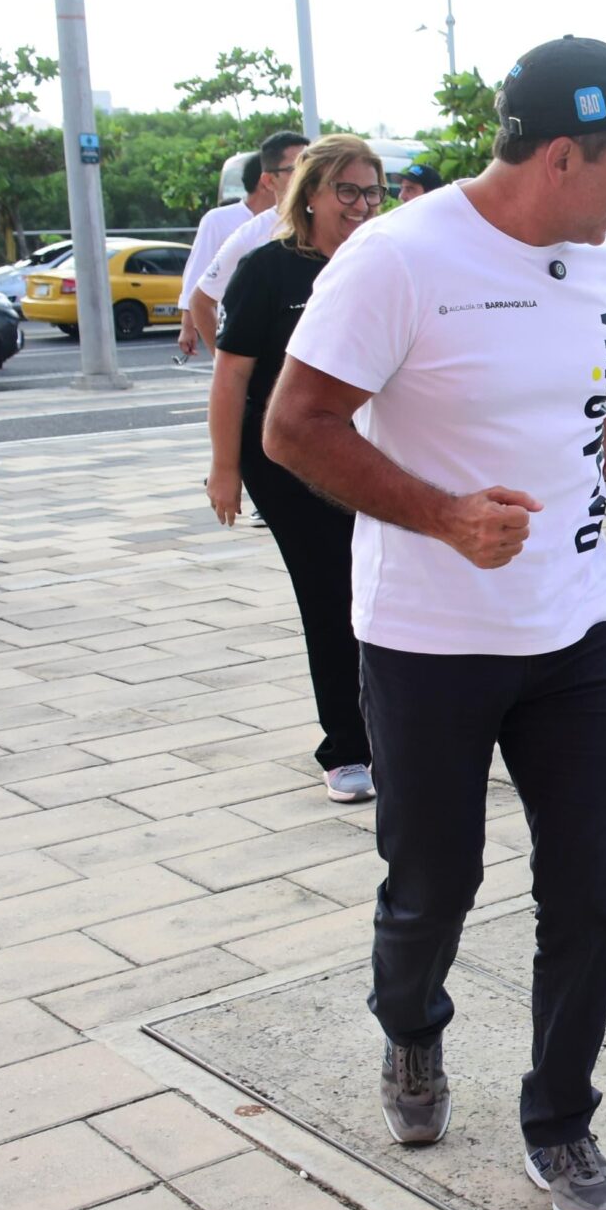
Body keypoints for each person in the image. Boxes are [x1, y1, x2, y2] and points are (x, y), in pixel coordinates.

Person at [264, 34, 606, 1210]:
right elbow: (294, 429)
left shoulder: (602, 251)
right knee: (432, 885)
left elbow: (602, 369)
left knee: (587, 891)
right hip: (427, 638)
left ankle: (560, 1120)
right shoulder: (396, 259)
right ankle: (410, 1027)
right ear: (560, 154)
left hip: (577, 623)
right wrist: (444, 515)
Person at [206, 134, 383, 805]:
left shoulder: (384, 261)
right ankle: (346, 749)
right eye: (347, 191)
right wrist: (224, 469)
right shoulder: (267, 271)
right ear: (309, 193)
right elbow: (231, 380)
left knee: (389, 589)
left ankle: (405, 728)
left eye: (371, 191)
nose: (362, 205)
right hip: (286, 457)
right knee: (331, 593)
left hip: (373, 446)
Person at [181, 129, 309, 358]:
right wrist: (226, 367)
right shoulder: (244, 233)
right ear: (268, 180)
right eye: (295, 169)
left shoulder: (330, 227)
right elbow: (199, 295)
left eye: (313, 166)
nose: (308, 176)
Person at [176, 150, 269, 358]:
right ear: (266, 181)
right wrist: (188, 325)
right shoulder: (218, 219)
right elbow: (197, 271)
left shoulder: (290, 221)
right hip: (233, 326)